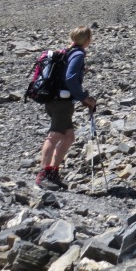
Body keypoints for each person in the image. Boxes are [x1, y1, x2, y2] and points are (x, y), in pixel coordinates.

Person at [35, 26, 97, 188]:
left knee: (68, 137)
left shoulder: (66, 51)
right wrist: (84, 97)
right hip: (61, 103)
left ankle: (53, 171)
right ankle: (44, 174)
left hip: (54, 100)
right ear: (87, 40)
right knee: (54, 136)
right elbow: (70, 78)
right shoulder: (78, 53)